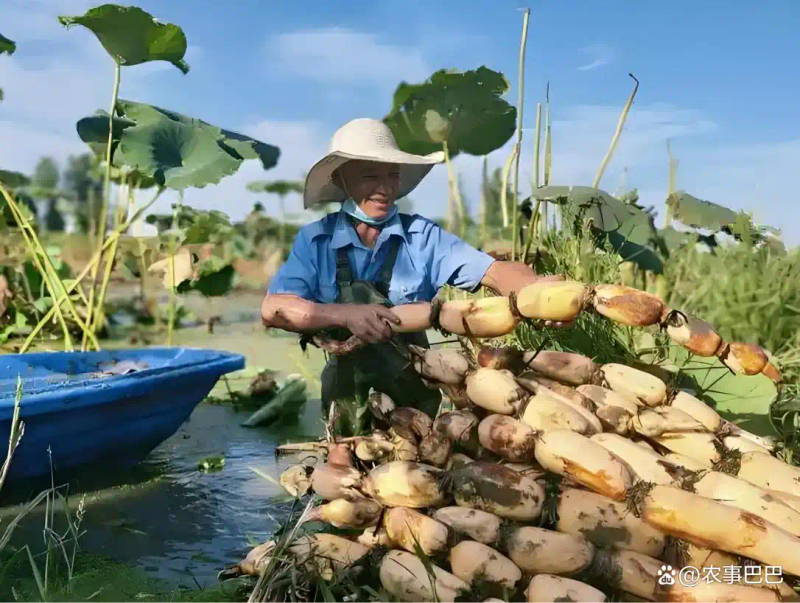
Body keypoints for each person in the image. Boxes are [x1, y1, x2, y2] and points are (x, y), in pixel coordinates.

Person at [261, 118, 568, 425]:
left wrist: (534, 293)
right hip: (347, 405)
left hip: (416, 395)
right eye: (370, 176)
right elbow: (274, 309)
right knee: (345, 460)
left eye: (392, 176)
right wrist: (345, 315)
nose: (385, 189)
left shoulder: (422, 236)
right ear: (342, 180)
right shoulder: (316, 241)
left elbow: (495, 272)